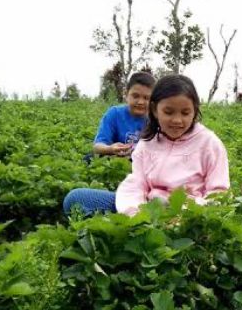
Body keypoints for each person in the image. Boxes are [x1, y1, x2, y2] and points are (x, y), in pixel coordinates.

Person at [64, 74, 230, 216]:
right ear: (155, 110)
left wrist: (186, 215)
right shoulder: (147, 143)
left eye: (185, 113)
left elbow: (219, 194)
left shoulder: (209, 144)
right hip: (149, 210)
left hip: (190, 217)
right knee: (77, 198)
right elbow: (137, 184)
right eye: (168, 112)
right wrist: (135, 215)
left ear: (194, 111)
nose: (177, 120)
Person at [92, 71, 155, 157]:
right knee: (89, 158)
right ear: (126, 94)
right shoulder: (114, 113)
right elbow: (97, 147)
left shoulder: (155, 119)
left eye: (146, 98)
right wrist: (110, 149)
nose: (140, 102)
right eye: (135, 96)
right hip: (115, 161)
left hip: (143, 162)